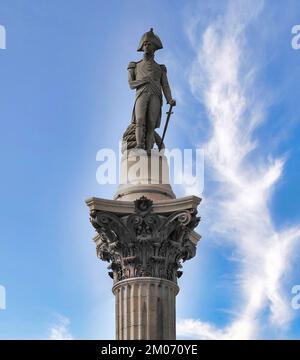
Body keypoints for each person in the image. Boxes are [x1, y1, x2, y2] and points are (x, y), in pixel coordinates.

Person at [128, 28, 176, 151]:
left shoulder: (160, 68)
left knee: (151, 124)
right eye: (145, 44)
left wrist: (169, 99)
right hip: (141, 93)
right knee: (140, 120)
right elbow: (131, 84)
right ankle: (139, 147)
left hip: (156, 94)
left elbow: (165, 85)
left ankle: (149, 149)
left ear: (154, 47)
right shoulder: (135, 65)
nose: (146, 46)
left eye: (149, 44)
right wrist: (144, 81)